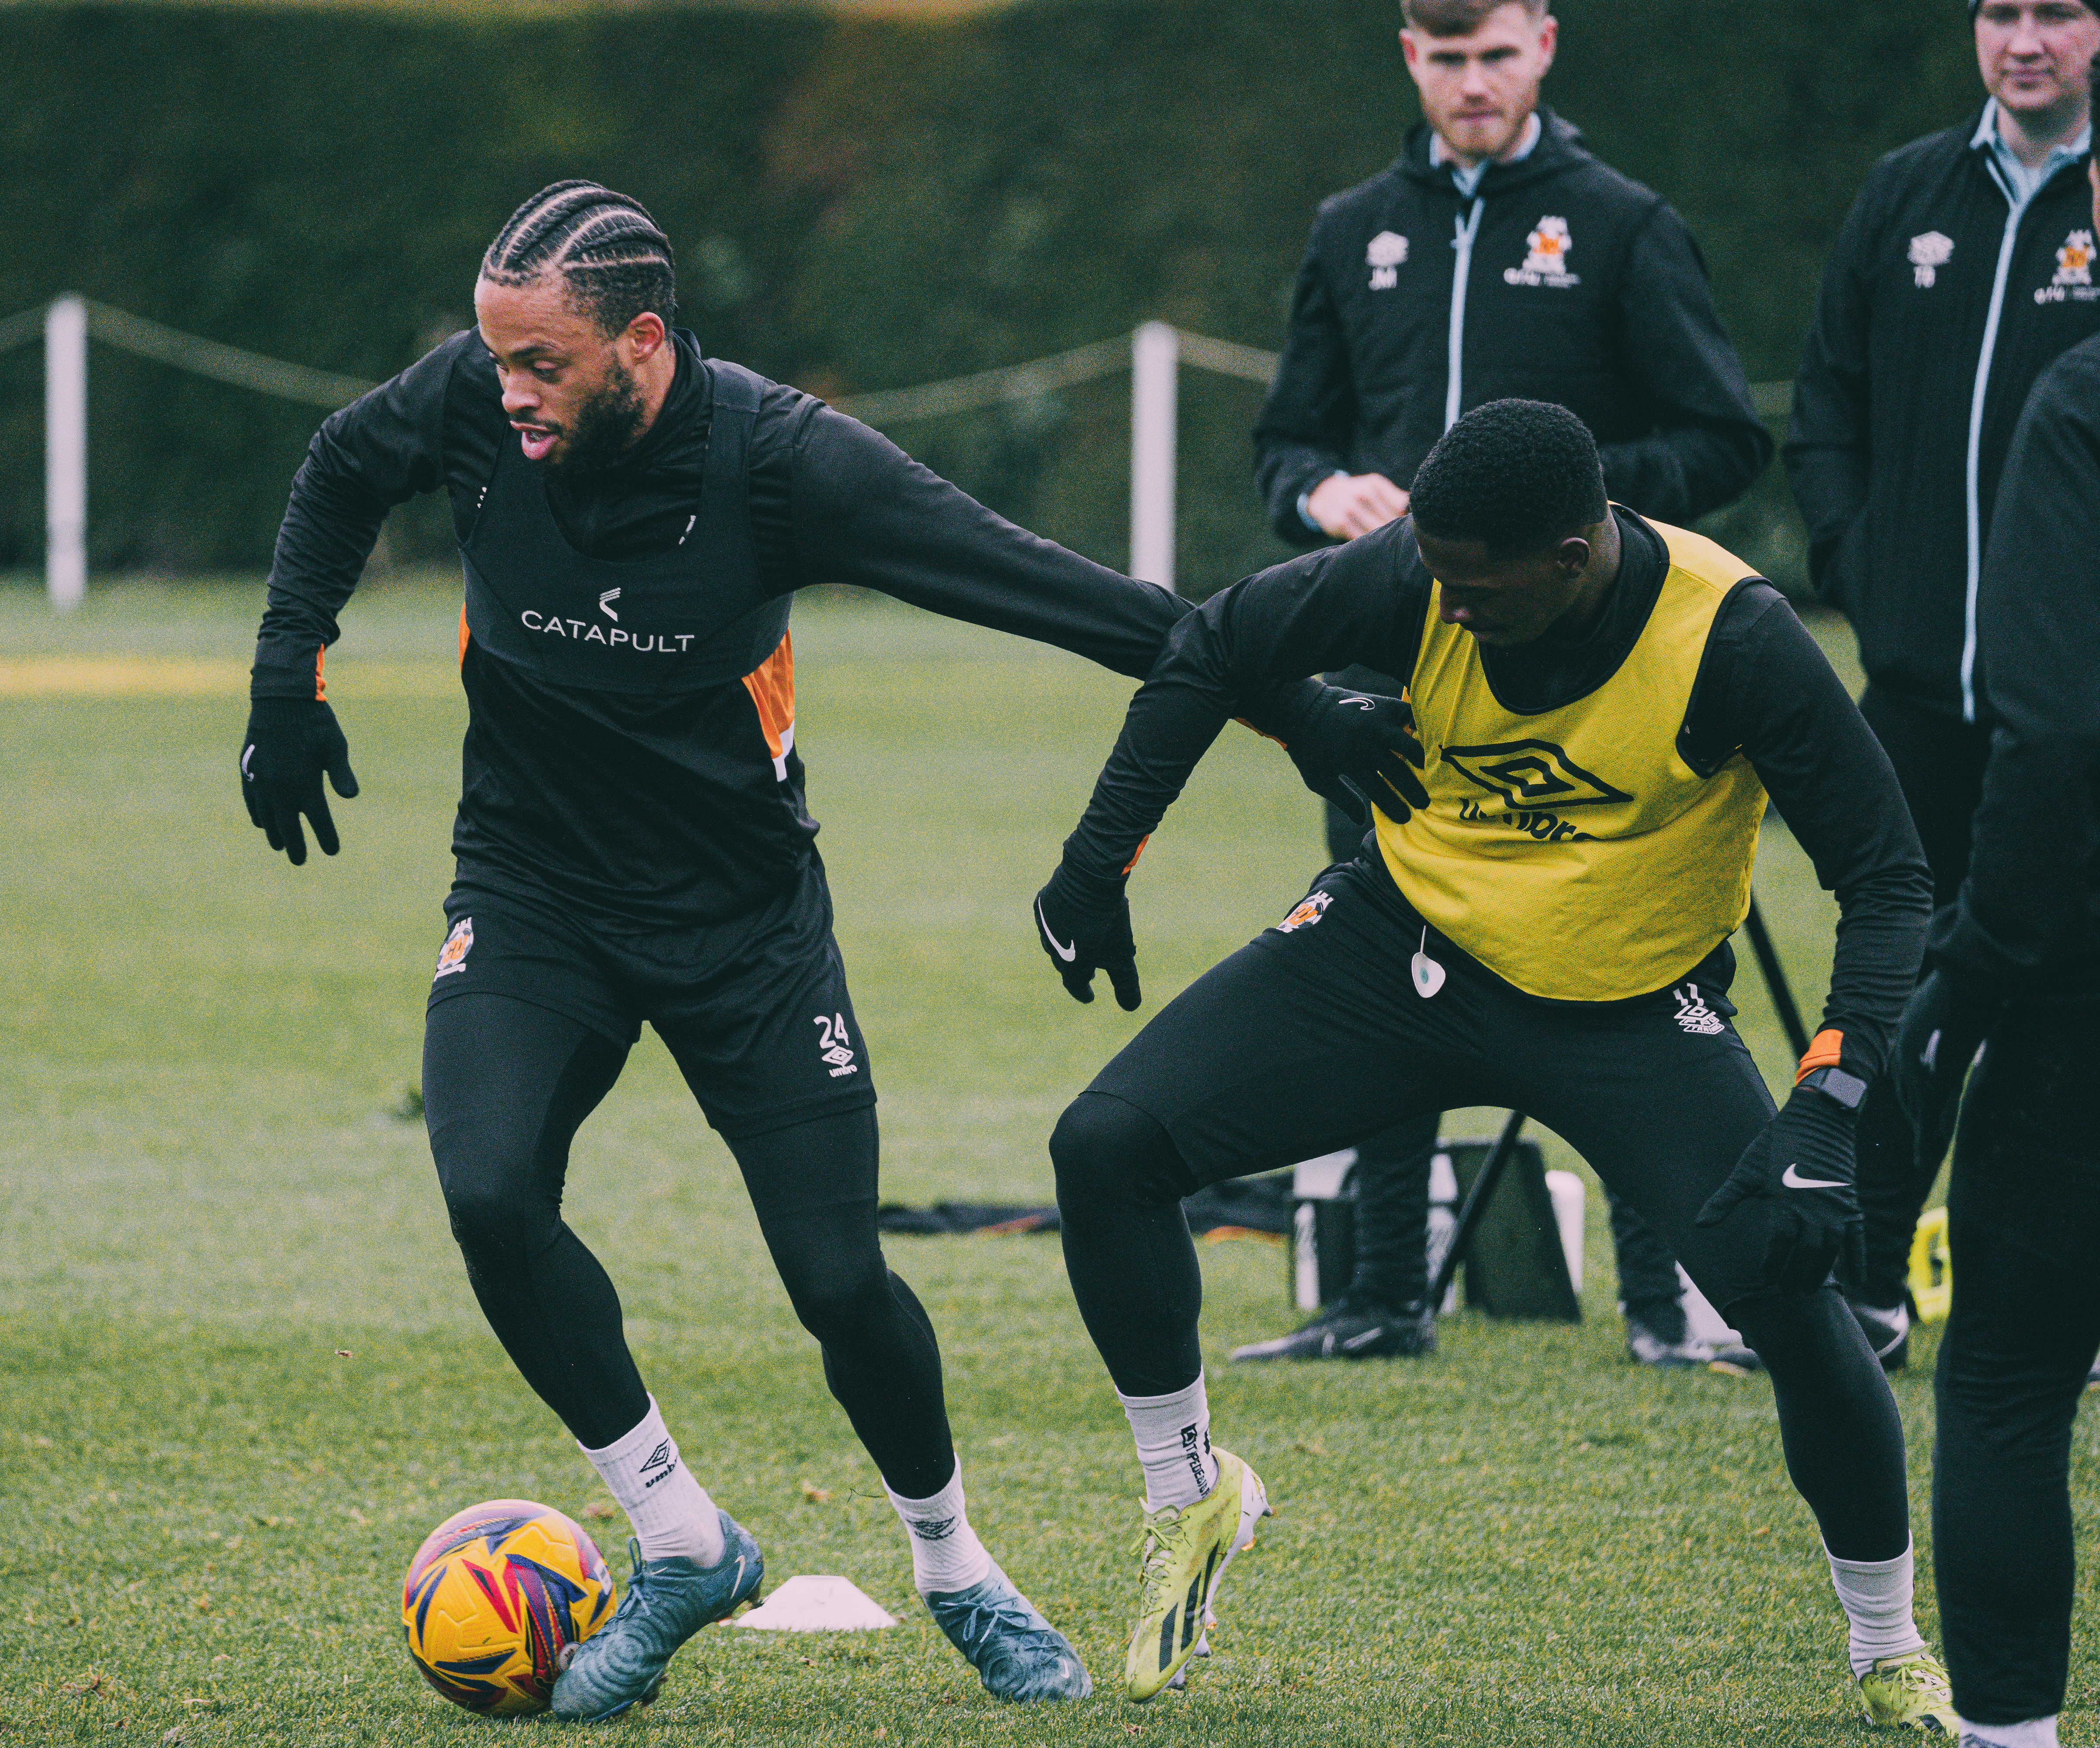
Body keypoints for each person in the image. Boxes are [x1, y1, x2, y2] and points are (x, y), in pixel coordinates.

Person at [237, 182, 1401, 1717]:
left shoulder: (786, 464)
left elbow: (1066, 594)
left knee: (841, 1281)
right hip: (534, 895)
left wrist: (1301, 706)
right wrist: (285, 670)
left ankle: (956, 1569)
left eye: (541, 366)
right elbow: (338, 469)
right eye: (494, 357)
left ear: (641, 346)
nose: (501, 391)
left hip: (746, 933)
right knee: (490, 1191)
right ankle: (678, 1539)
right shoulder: (472, 399)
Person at [1032, 399, 1954, 1725]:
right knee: (1105, 1144)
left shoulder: (1734, 636)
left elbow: (1889, 876)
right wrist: (1102, 858)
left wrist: (1828, 1106)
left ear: (1576, 557)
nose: (1444, 611)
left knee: (1793, 1294)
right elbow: (1216, 643)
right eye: (1435, 577)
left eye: (1478, 590)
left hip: (1632, 1007)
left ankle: (1888, 1649)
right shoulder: (1422, 564)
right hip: (1398, 949)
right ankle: (1190, 1501)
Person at [1244, 0, 1773, 1369]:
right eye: (1444, 56)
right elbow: (1286, 436)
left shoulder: (1623, 224)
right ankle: (1378, 1302)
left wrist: (1570, 511)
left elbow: (1720, 439)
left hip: (1594, 680)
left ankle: (1664, 1308)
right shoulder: (1350, 225)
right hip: (1396, 670)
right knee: (1382, 954)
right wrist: (1319, 492)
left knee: (1625, 955)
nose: (1471, 82)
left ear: (1543, 44)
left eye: (1493, 53)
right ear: (1408, 56)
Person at [1785, 0, 2100, 1360]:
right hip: (1916, 692)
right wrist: (1866, 570)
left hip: (2071, 717)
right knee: (1892, 990)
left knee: (2058, 995)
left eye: (2059, 11)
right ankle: (1859, 1278)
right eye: (2000, 11)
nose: (2025, 38)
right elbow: (1826, 408)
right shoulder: (1907, 191)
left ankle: (2062, 1292)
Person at [1895, 149, 2100, 1748]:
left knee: (2013, 1379)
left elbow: (2054, 737)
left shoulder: (2083, 403)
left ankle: (2013, 1736)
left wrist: (1975, 970)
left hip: (2080, 980)